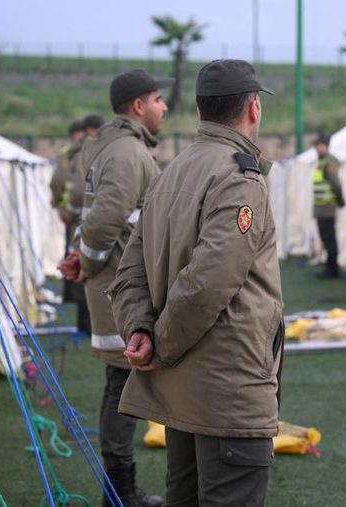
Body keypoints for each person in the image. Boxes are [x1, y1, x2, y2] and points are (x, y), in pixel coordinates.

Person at [109, 59, 284, 506]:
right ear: (253, 108)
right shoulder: (239, 176)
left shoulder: (173, 169)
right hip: (227, 386)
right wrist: (158, 342)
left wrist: (141, 331)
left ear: (201, 109)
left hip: (179, 389)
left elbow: (128, 271)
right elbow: (210, 282)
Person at [59, 69, 171, 507]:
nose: (164, 107)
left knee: (122, 383)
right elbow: (106, 219)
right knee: (122, 385)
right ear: (138, 106)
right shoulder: (127, 151)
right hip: (119, 287)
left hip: (114, 281)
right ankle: (120, 492)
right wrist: (85, 261)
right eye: (158, 99)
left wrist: (80, 257)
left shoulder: (113, 146)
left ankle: (119, 490)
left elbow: (98, 217)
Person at [50, 119, 92, 334]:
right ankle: (87, 321)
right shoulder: (90, 151)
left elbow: (57, 182)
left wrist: (60, 206)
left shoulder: (69, 152)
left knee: (74, 258)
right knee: (87, 263)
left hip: (74, 218)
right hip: (87, 216)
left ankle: (82, 318)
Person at [312, 134, 345, 278]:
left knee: (329, 238)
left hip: (327, 206)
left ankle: (332, 269)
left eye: (319, 145)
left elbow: (335, 184)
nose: (316, 149)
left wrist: (340, 200)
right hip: (321, 207)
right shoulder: (323, 162)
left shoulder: (328, 163)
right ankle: (330, 267)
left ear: (326, 146)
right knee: (326, 237)